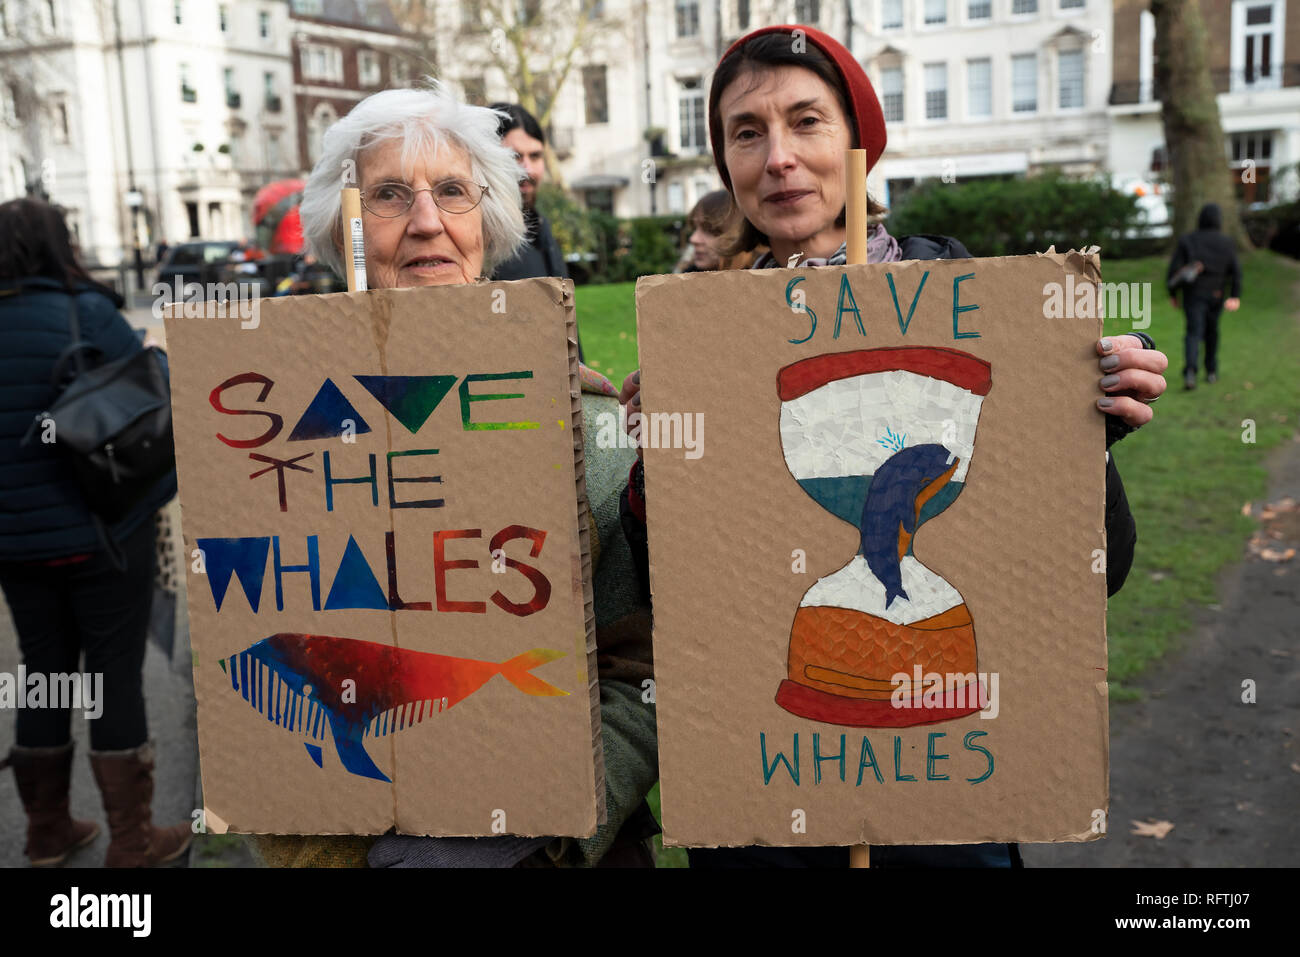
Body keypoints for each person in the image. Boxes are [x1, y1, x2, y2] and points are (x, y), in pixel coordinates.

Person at [616, 24, 1169, 867]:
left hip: (946, 816)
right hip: (765, 807)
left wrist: (1079, 433)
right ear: (726, 162)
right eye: (747, 132)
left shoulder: (981, 304)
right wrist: (658, 466)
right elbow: (681, 594)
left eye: (807, 122)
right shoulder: (702, 339)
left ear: (859, 142)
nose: (779, 159)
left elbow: (1101, 575)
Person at [259, 83, 658, 867]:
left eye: (451, 191)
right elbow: (264, 651)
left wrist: (550, 826)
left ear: (488, 221)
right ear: (346, 230)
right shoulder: (272, 438)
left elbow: (638, 670)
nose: (426, 221)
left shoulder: (589, 429)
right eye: (387, 195)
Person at [0, 198, 190, 868]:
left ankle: (46, 832)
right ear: (61, 244)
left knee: (43, 674)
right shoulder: (88, 313)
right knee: (112, 678)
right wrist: (159, 355)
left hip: (14, 548)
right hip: (102, 534)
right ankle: (133, 844)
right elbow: (150, 398)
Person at [488, 103, 585, 360]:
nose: (528, 169)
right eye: (515, 156)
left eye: (535, 156)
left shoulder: (541, 228)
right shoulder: (480, 240)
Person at [1166, 202, 1242, 390]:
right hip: (1216, 294)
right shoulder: (1226, 242)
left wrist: (1173, 293)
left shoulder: (1188, 239)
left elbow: (1174, 270)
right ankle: (1211, 371)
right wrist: (1234, 295)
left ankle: (1190, 372)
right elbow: (1235, 271)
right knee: (1212, 332)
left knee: (1193, 332)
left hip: (1193, 294)